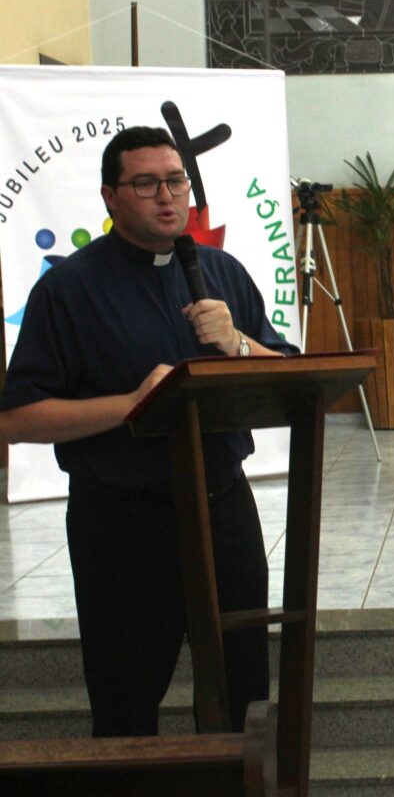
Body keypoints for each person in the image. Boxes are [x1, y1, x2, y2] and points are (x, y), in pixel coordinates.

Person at [0, 126, 298, 736]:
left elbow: (293, 376)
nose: (167, 196)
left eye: (176, 181)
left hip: (223, 509)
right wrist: (133, 403)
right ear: (110, 197)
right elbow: (16, 417)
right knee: (126, 698)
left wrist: (239, 343)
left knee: (243, 692)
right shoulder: (68, 288)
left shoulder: (220, 272)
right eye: (145, 184)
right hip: (122, 522)